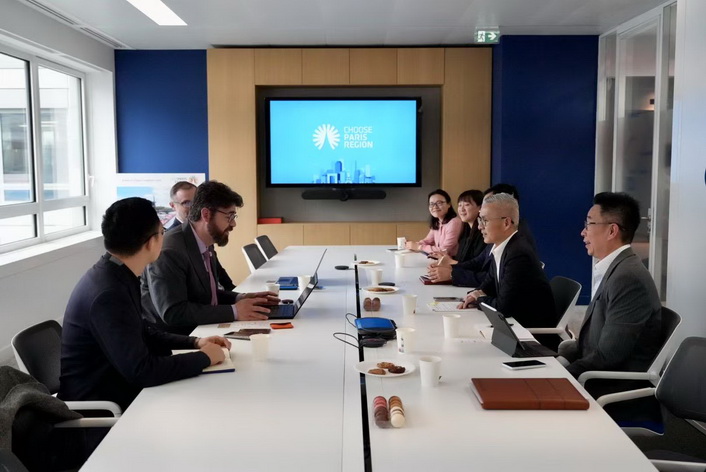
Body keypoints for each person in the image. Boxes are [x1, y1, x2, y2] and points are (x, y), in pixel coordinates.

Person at [59, 197, 231, 411]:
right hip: (102, 409)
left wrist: (195, 342)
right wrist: (203, 358)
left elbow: (142, 331)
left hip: (120, 389)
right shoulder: (109, 294)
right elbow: (142, 371)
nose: (164, 237)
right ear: (151, 242)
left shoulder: (116, 273)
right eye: (162, 232)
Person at [142, 180, 278, 335]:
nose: (233, 224)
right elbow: (173, 312)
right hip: (179, 338)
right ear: (206, 215)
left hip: (204, 329)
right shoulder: (170, 251)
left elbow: (205, 295)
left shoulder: (205, 242)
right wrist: (234, 311)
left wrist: (240, 298)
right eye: (229, 216)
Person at [559, 192, 662, 379]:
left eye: (589, 224)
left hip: (607, 385)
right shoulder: (617, 268)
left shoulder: (628, 279)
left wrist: (558, 375)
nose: (583, 232)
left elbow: (608, 356)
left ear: (612, 231)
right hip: (592, 373)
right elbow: (590, 342)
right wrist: (560, 361)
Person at [459, 193, 555, 328]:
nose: (480, 226)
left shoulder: (518, 254)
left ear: (506, 223)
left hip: (528, 333)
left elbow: (503, 308)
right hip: (513, 326)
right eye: (479, 220)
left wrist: (479, 298)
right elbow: (487, 285)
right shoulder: (502, 246)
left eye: (484, 220)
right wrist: (475, 295)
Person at [165, 181, 235, 291]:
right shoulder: (171, 248)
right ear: (173, 206)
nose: (194, 207)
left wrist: (238, 296)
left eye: (196, 201)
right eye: (187, 203)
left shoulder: (205, 235)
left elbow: (212, 284)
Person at [427, 190, 486, 282]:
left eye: (467, 205)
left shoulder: (483, 234)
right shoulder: (466, 230)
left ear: (480, 207)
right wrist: (447, 264)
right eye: (459, 205)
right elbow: (464, 262)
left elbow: (479, 268)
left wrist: (451, 264)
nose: (461, 209)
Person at [405, 189, 463, 257]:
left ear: (449, 204)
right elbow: (428, 241)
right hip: (439, 258)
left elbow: (444, 250)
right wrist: (413, 245)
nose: (435, 207)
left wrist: (419, 247)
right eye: (431, 204)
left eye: (439, 203)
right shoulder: (437, 222)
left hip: (451, 260)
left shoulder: (454, 222)